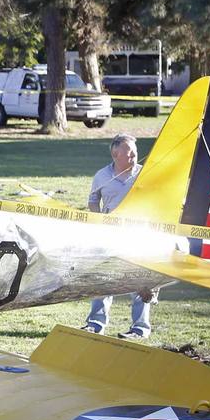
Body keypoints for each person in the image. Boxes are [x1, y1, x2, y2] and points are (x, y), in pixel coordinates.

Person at [82, 133, 156, 339]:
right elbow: (93, 201)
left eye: (135, 152)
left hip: (139, 234)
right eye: (129, 152)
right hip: (110, 236)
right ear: (115, 154)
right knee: (103, 279)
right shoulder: (101, 176)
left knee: (139, 280)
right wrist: (98, 222)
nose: (134, 156)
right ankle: (95, 324)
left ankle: (140, 329)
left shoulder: (145, 174)